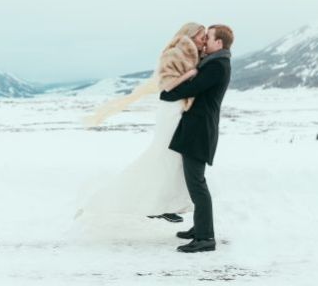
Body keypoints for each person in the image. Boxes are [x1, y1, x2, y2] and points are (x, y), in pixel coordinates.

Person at [76, 23, 206, 224]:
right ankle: (111, 200)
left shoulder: (192, 55)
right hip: (171, 111)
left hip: (180, 109)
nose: (204, 40)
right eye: (201, 36)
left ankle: (163, 204)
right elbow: (167, 85)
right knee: (163, 156)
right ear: (190, 35)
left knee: (172, 160)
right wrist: (191, 75)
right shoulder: (173, 54)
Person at [160, 24, 234, 253]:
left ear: (219, 43)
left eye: (208, 38)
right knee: (195, 182)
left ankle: (205, 238)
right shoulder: (213, 62)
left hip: (200, 131)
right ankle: (199, 227)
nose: (204, 43)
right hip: (196, 128)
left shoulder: (218, 66)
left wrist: (167, 93)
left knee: (197, 184)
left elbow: (193, 87)